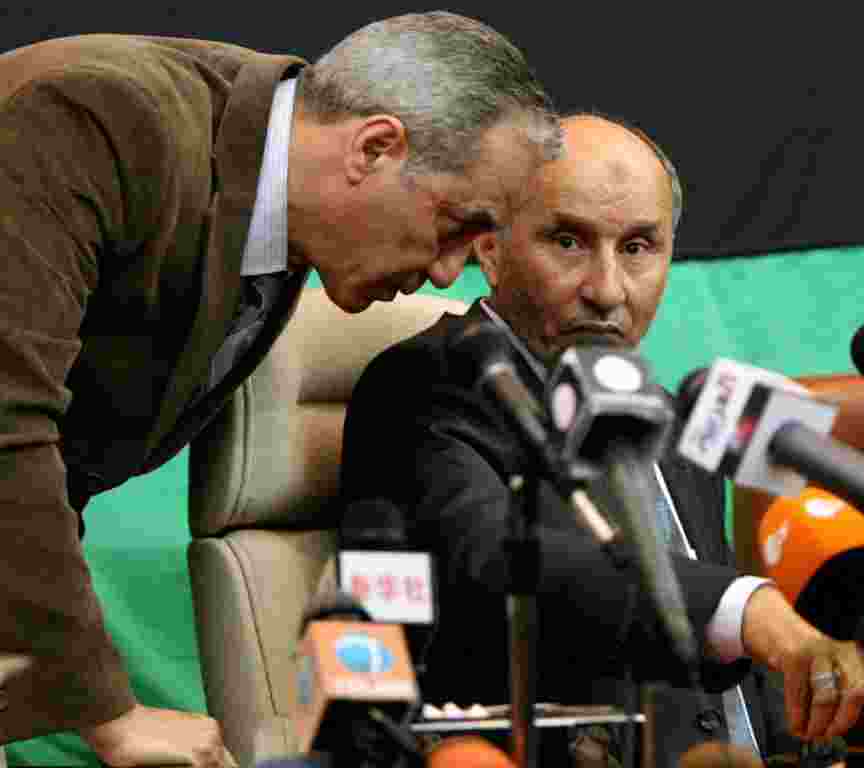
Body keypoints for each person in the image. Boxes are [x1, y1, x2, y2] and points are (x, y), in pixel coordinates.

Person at [0, 12, 561, 767]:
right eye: (457, 225)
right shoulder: (92, 118)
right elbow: (6, 422)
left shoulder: (281, 196)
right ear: (374, 148)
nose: (445, 272)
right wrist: (110, 714)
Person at [336, 114, 864, 766]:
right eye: (568, 241)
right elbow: (494, 565)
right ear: (490, 248)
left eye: (639, 247)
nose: (607, 290)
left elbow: (735, 667)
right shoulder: (427, 384)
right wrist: (749, 608)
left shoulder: (666, 413)